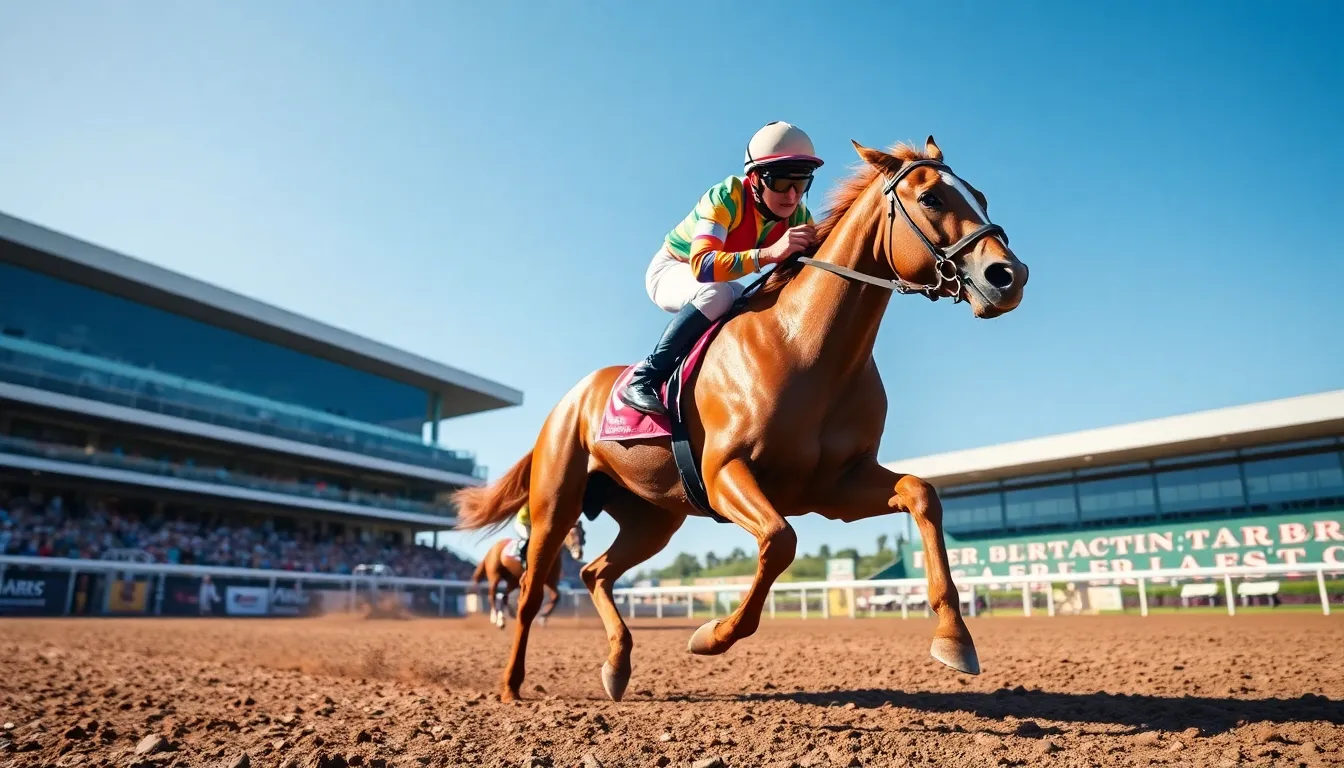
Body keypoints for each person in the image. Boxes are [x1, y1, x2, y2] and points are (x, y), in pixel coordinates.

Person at [620, 121, 824, 416]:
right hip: (674, 269)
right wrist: (770, 253)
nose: (792, 195)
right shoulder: (726, 196)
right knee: (717, 295)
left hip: (721, 280)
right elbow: (703, 266)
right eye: (781, 182)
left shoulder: (800, 217)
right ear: (755, 179)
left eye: (802, 182)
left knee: (756, 307)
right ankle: (645, 378)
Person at [512, 503, 530, 568]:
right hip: (523, 524)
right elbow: (523, 516)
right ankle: (523, 557)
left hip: (530, 523)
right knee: (531, 537)